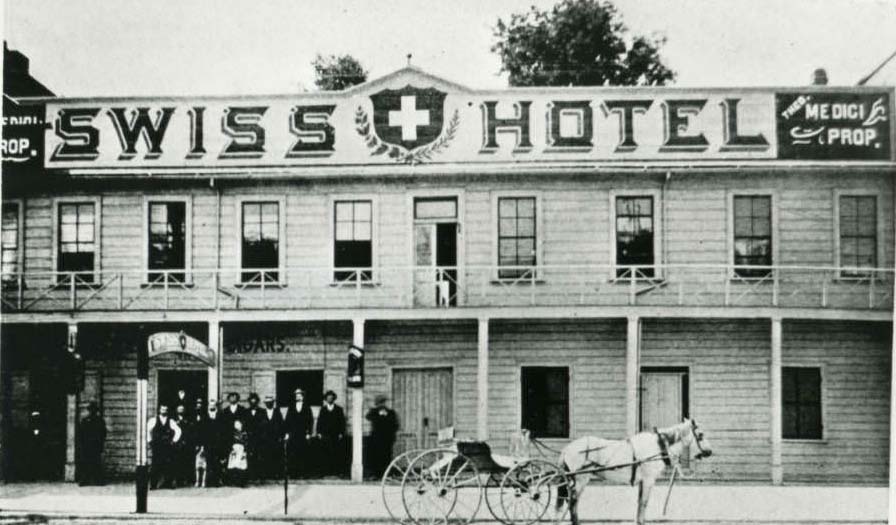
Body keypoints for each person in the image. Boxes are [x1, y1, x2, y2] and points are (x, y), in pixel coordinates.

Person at [147, 404, 182, 489]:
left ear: (167, 411)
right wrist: (150, 441)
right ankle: (153, 485)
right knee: (155, 465)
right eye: (162, 409)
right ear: (159, 410)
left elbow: (178, 431)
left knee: (168, 465)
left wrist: (174, 441)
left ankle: (168, 483)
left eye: (165, 410)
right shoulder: (154, 420)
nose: (164, 411)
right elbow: (147, 430)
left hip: (167, 446)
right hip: (157, 446)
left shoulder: (171, 421)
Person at [366, 395, 398, 478]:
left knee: (386, 456)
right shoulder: (374, 412)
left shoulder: (390, 412)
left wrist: (391, 435)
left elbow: (395, 425)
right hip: (376, 439)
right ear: (377, 404)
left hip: (387, 439)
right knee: (375, 457)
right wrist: (375, 411)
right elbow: (368, 417)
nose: (382, 404)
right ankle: (376, 474)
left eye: (383, 402)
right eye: (379, 403)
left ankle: (386, 474)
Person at [283, 388, 313, 478]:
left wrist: (308, 433)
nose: (298, 396)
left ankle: (303, 473)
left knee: (303, 453)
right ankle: (293, 473)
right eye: (296, 395)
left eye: (299, 395)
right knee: (293, 453)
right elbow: (287, 420)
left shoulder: (307, 407)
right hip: (293, 433)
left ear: (303, 396)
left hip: (303, 433)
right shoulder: (291, 407)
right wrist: (287, 433)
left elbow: (310, 421)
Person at [316, 390, 346, 477]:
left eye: (331, 397)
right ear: (326, 399)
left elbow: (342, 422)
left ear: (334, 399)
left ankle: (335, 472)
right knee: (325, 453)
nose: (330, 399)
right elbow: (319, 421)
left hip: (335, 435)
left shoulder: (338, 409)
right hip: (325, 435)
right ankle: (325, 472)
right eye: (328, 397)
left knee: (336, 453)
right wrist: (319, 432)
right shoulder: (323, 409)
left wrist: (341, 433)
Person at [77, 402, 107, 486]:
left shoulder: (97, 420)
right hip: (90, 445)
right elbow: (81, 433)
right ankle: (89, 480)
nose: (92, 412)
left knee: (94, 463)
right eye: (91, 410)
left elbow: (103, 433)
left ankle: (95, 480)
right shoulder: (91, 420)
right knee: (90, 463)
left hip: (93, 445)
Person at [199, 399, 225, 487]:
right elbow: (201, 431)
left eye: (213, 405)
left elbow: (223, 430)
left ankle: (216, 481)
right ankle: (208, 481)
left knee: (217, 461)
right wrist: (202, 444)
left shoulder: (220, 416)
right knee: (209, 461)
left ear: (216, 406)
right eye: (210, 405)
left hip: (218, 442)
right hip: (208, 442)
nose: (212, 406)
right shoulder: (204, 416)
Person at [257, 395, 284, 479]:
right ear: (265, 404)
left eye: (271, 402)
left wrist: (281, 436)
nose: (269, 404)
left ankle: (275, 473)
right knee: (265, 456)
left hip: (275, 438)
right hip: (265, 439)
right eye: (267, 403)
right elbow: (259, 426)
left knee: (275, 456)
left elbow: (281, 425)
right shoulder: (261, 413)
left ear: (273, 403)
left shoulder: (277, 412)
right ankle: (266, 473)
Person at [244, 392, 263, 481]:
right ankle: (250, 475)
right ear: (249, 401)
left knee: (259, 456)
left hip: (259, 437)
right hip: (249, 437)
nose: (253, 402)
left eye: (255, 400)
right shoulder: (246, 412)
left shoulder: (262, 411)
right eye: (251, 400)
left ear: (257, 401)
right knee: (249, 456)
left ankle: (259, 475)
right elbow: (244, 424)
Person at [173, 404, 192, 487]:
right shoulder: (173, 420)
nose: (181, 411)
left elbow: (189, 431)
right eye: (179, 409)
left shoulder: (187, 420)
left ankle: (185, 480)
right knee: (177, 462)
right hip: (177, 444)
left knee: (185, 462)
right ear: (177, 410)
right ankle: (177, 480)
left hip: (186, 443)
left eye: (182, 409)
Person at [226, 419, 249, 487]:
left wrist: (245, 451)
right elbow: (230, 441)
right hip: (234, 450)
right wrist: (232, 449)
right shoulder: (232, 433)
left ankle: (241, 482)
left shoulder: (244, 433)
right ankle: (233, 481)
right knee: (233, 465)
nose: (236, 426)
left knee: (241, 465)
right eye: (235, 424)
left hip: (241, 450)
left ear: (241, 425)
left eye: (238, 424)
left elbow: (246, 443)